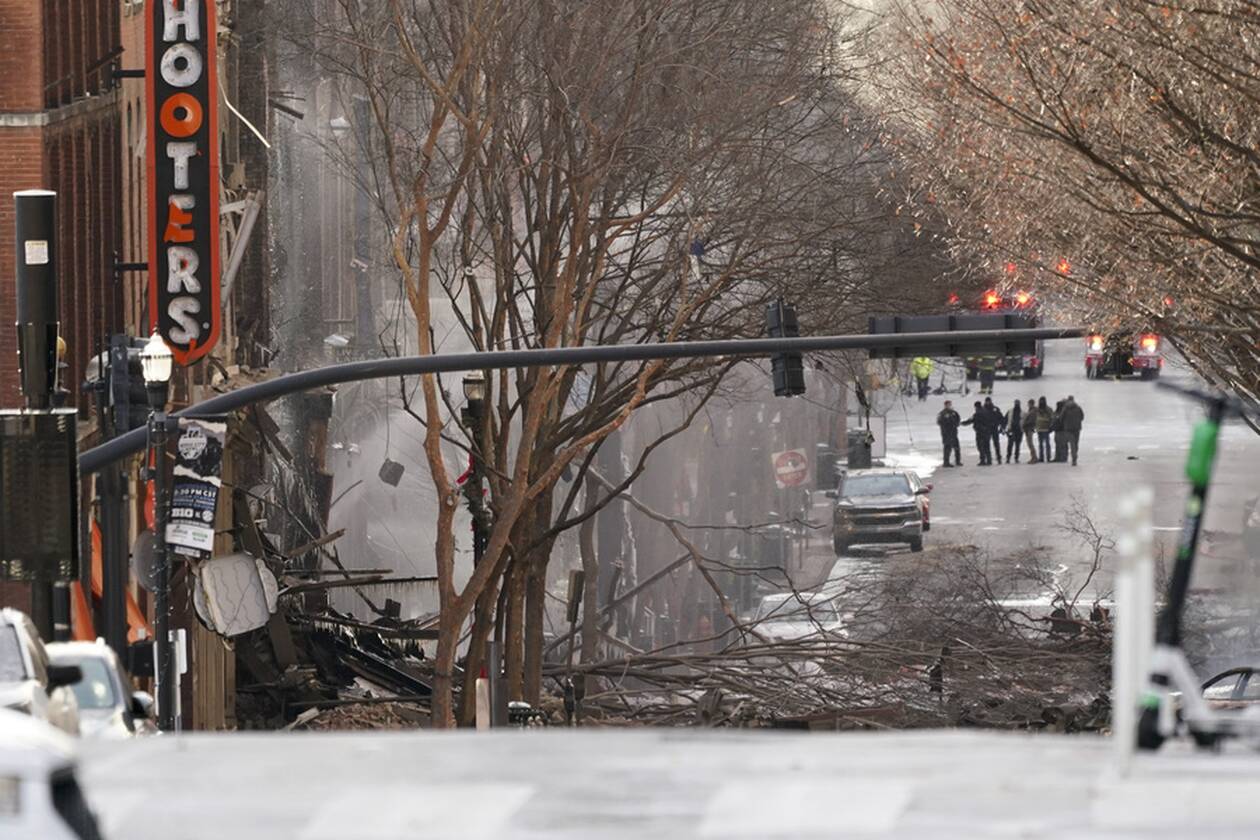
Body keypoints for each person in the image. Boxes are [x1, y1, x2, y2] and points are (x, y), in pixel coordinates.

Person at [961, 400, 994, 465]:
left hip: (980, 432)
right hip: (987, 432)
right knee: (987, 446)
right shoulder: (986, 412)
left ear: (975, 407)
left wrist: (962, 423)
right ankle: (989, 460)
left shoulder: (977, 414)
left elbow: (970, 421)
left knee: (980, 447)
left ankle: (983, 460)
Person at [937, 399, 962, 467]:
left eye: (950, 404)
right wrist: (947, 424)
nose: (949, 406)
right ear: (945, 405)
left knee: (957, 447)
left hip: (954, 432)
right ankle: (946, 462)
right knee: (947, 447)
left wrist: (956, 424)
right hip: (946, 433)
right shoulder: (942, 413)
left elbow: (958, 419)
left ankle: (958, 461)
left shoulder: (954, 413)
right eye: (948, 405)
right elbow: (939, 422)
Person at [1061, 395, 1085, 465]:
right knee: (1076, 443)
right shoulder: (1078, 407)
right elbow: (1082, 417)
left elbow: (1061, 418)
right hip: (1077, 427)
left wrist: (1064, 423)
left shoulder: (1065, 408)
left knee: (1072, 443)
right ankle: (1075, 455)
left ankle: (1074, 457)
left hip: (1068, 428)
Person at [983, 397, 1005, 464]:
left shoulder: (995, 409)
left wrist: (1002, 427)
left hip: (994, 428)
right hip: (986, 429)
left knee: (996, 444)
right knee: (986, 444)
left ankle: (998, 458)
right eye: (987, 401)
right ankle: (988, 459)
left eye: (989, 401)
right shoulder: (983, 409)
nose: (988, 402)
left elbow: (1001, 418)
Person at [1034, 396, 1053, 463]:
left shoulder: (1047, 409)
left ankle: (1046, 457)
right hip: (1040, 429)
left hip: (1044, 429)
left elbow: (1052, 418)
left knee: (1045, 444)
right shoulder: (1038, 409)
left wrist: (1050, 426)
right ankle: (1043, 457)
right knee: (1042, 444)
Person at [1005, 399, 1023, 463]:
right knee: (1010, 445)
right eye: (1016, 403)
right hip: (1011, 430)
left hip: (1019, 431)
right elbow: (1005, 420)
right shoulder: (1010, 411)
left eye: (1017, 403)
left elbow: (1025, 421)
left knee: (1017, 445)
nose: (1017, 404)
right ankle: (1008, 458)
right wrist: (1004, 428)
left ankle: (1016, 458)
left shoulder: (1022, 412)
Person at [1021, 399, 1038, 463]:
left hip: (1029, 429)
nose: (1028, 405)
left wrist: (1024, 424)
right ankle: (1034, 457)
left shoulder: (1033, 411)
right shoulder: (1031, 410)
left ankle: (1034, 457)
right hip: (1028, 429)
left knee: (1030, 444)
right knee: (1030, 444)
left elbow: (1031, 421)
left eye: (1029, 403)